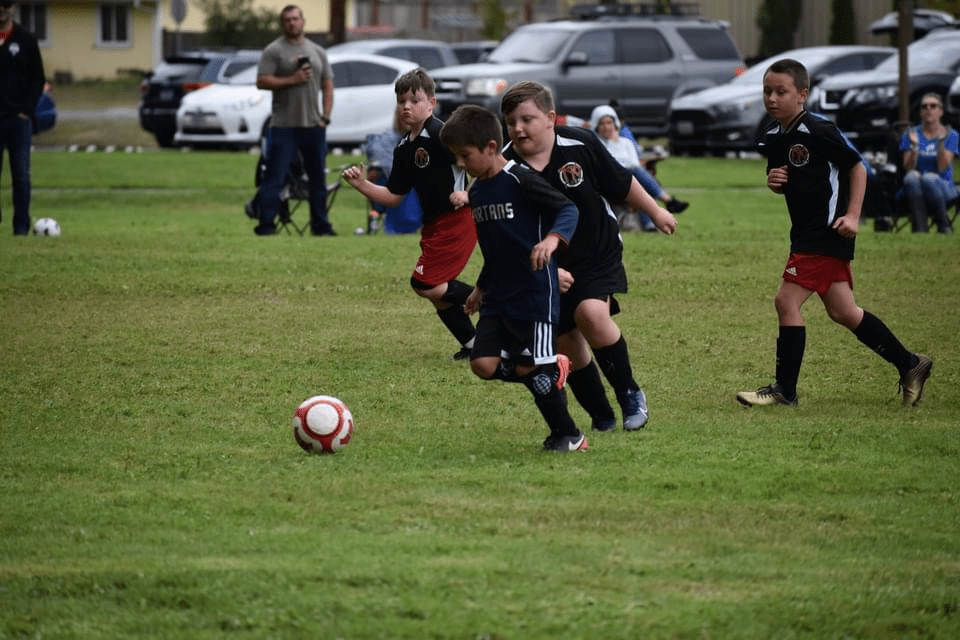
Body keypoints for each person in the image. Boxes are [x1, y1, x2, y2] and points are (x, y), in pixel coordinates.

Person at [737, 58, 933, 408]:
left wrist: (854, 216)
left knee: (786, 302)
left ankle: (785, 390)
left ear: (802, 95)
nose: (771, 98)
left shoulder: (820, 130)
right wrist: (774, 183)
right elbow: (784, 180)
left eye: (781, 91)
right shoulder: (771, 138)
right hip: (805, 233)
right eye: (767, 91)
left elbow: (858, 167)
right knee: (844, 312)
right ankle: (910, 364)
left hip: (827, 232)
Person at [500, 81, 678, 432]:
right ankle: (602, 416)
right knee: (568, 343)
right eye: (510, 121)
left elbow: (621, 182)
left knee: (591, 313)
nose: (518, 128)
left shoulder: (580, 144)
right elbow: (509, 233)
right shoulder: (505, 165)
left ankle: (629, 394)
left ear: (550, 118)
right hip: (547, 263)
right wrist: (547, 269)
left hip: (597, 249)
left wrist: (655, 211)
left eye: (527, 119)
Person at [439, 104, 585, 452]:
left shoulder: (520, 179)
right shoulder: (477, 192)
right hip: (499, 295)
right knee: (482, 363)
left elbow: (567, 208)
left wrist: (551, 240)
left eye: (465, 155)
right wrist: (479, 286)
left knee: (530, 369)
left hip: (534, 293)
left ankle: (569, 435)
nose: (462, 164)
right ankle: (548, 370)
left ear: (491, 147)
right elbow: (496, 248)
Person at [342, 68, 478, 361]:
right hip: (433, 225)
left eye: (414, 100)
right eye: (401, 100)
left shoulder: (444, 134)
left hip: (458, 220)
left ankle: (493, 301)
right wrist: (362, 184)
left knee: (424, 283)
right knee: (435, 290)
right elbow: (393, 197)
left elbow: (483, 159)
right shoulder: (404, 148)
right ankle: (472, 343)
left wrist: (470, 193)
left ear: (432, 103)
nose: (406, 106)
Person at [254, 4, 335, 236]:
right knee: (275, 177)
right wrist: (293, 78)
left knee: (317, 179)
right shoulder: (274, 50)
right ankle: (266, 225)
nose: (292, 23)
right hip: (284, 126)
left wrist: (326, 116)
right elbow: (262, 81)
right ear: (283, 24)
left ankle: (321, 226)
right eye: (287, 20)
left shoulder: (317, 51)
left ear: (303, 21)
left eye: (295, 19)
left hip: (314, 126)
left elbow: (328, 86)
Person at [588, 104, 688, 232]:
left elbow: (634, 162)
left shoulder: (625, 142)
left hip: (628, 182)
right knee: (635, 173)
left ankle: (649, 224)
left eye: (609, 122)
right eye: (602, 123)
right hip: (608, 184)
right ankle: (667, 200)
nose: (607, 127)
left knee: (637, 179)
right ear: (596, 125)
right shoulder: (595, 143)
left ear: (615, 123)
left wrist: (616, 147)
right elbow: (605, 166)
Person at [0, 0, 45, 236]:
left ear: (13, 8)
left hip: (18, 120)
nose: (2, 8)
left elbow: (38, 78)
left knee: (20, 175)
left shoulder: (26, 40)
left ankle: (20, 228)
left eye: (6, 4)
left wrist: (26, 110)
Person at [898, 93, 957, 234]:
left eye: (933, 106)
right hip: (915, 189)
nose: (928, 109)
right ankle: (920, 229)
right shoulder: (911, 133)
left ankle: (944, 226)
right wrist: (913, 147)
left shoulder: (951, 135)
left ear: (941, 112)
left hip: (943, 186)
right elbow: (908, 167)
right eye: (924, 107)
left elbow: (942, 168)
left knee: (929, 178)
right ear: (920, 112)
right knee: (911, 176)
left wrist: (941, 144)